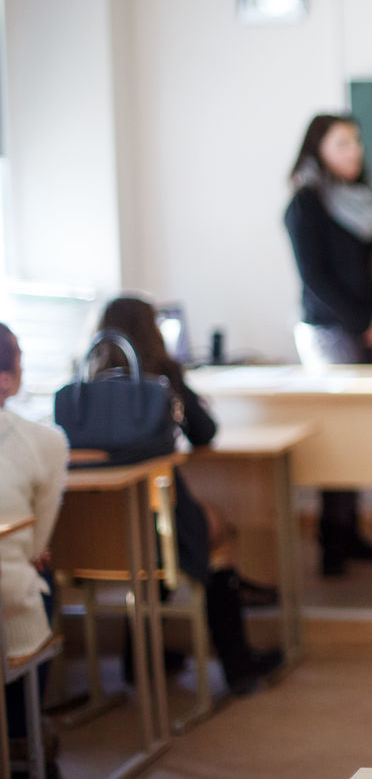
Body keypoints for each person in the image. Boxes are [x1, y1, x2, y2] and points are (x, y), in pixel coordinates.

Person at [93, 297, 283, 695]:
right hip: (160, 528)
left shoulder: (85, 387)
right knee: (213, 529)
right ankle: (238, 662)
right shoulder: (163, 378)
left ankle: (139, 659)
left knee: (154, 539)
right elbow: (205, 432)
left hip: (101, 540)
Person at [284, 113, 372, 577]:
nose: (354, 151)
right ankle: (332, 540)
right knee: (339, 435)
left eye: (356, 142)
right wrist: (362, 320)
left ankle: (349, 532)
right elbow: (315, 277)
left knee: (359, 434)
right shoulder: (306, 204)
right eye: (342, 144)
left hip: (369, 332)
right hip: (330, 333)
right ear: (319, 151)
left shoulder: (364, 202)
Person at [0, 323, 66, 766]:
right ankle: (23, 737)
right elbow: (35, 542)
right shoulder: (42, 441)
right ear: (9, 376)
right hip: (7, 601)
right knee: (37, 574)